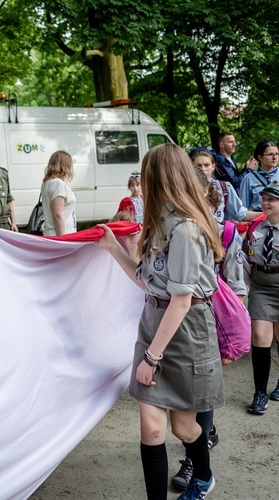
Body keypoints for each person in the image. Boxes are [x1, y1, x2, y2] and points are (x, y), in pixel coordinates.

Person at [95, 143, 224, 499]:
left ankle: (203, 476)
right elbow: (148, 282)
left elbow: (181, 302)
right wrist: (113, 249)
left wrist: (152, 357)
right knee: (151, 430)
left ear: (159, 178)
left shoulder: (185, 228)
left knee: (184, 428)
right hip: (155, 322)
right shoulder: (158, 221)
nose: (141, 182)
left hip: (185, 332)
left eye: (146, 175)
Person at [170, 168, 244, 492]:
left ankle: (194, 465)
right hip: (185, 316)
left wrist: (232, 329)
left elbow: (233, 279)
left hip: (206, 314)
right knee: (190, 405)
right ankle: (201, 449)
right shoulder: (176, 224)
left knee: (201, 399)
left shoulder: (214, 227)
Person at [242, 182, 279, 416]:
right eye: (263, 199)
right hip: (261, 288)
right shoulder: (256, 226)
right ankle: (260, 393)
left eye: (271, 200)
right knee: (260, 337)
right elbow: (245, 254)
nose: (265, 203)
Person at [191, 148, 260, 223]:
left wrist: (266, 215)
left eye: (206, 165)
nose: (203, 169)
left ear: (213, 166)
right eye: (199, 165)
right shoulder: (185, 188)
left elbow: (240, 213)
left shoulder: (224, 187)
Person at [40, 151, 77, 236]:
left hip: (51, 233)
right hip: (61, 234)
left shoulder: (46, 183)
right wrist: (62, 238)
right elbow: (57, 215)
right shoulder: (57, 184)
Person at [239, 140, 279, 211]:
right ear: (260, 157)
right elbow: (242, 209)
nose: (275, 157)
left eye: (277, 154)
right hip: (259, 219)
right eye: (270, 154)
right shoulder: (249, 179)